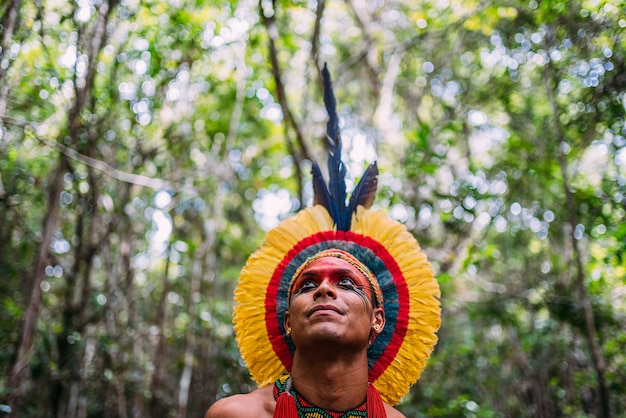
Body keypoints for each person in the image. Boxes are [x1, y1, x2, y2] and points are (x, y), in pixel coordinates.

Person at [205, 66, 441, 418]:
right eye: (307, 284)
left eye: (346, 283)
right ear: (287, 322)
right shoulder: (235, 415)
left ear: (378, 318)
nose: (324, 290)